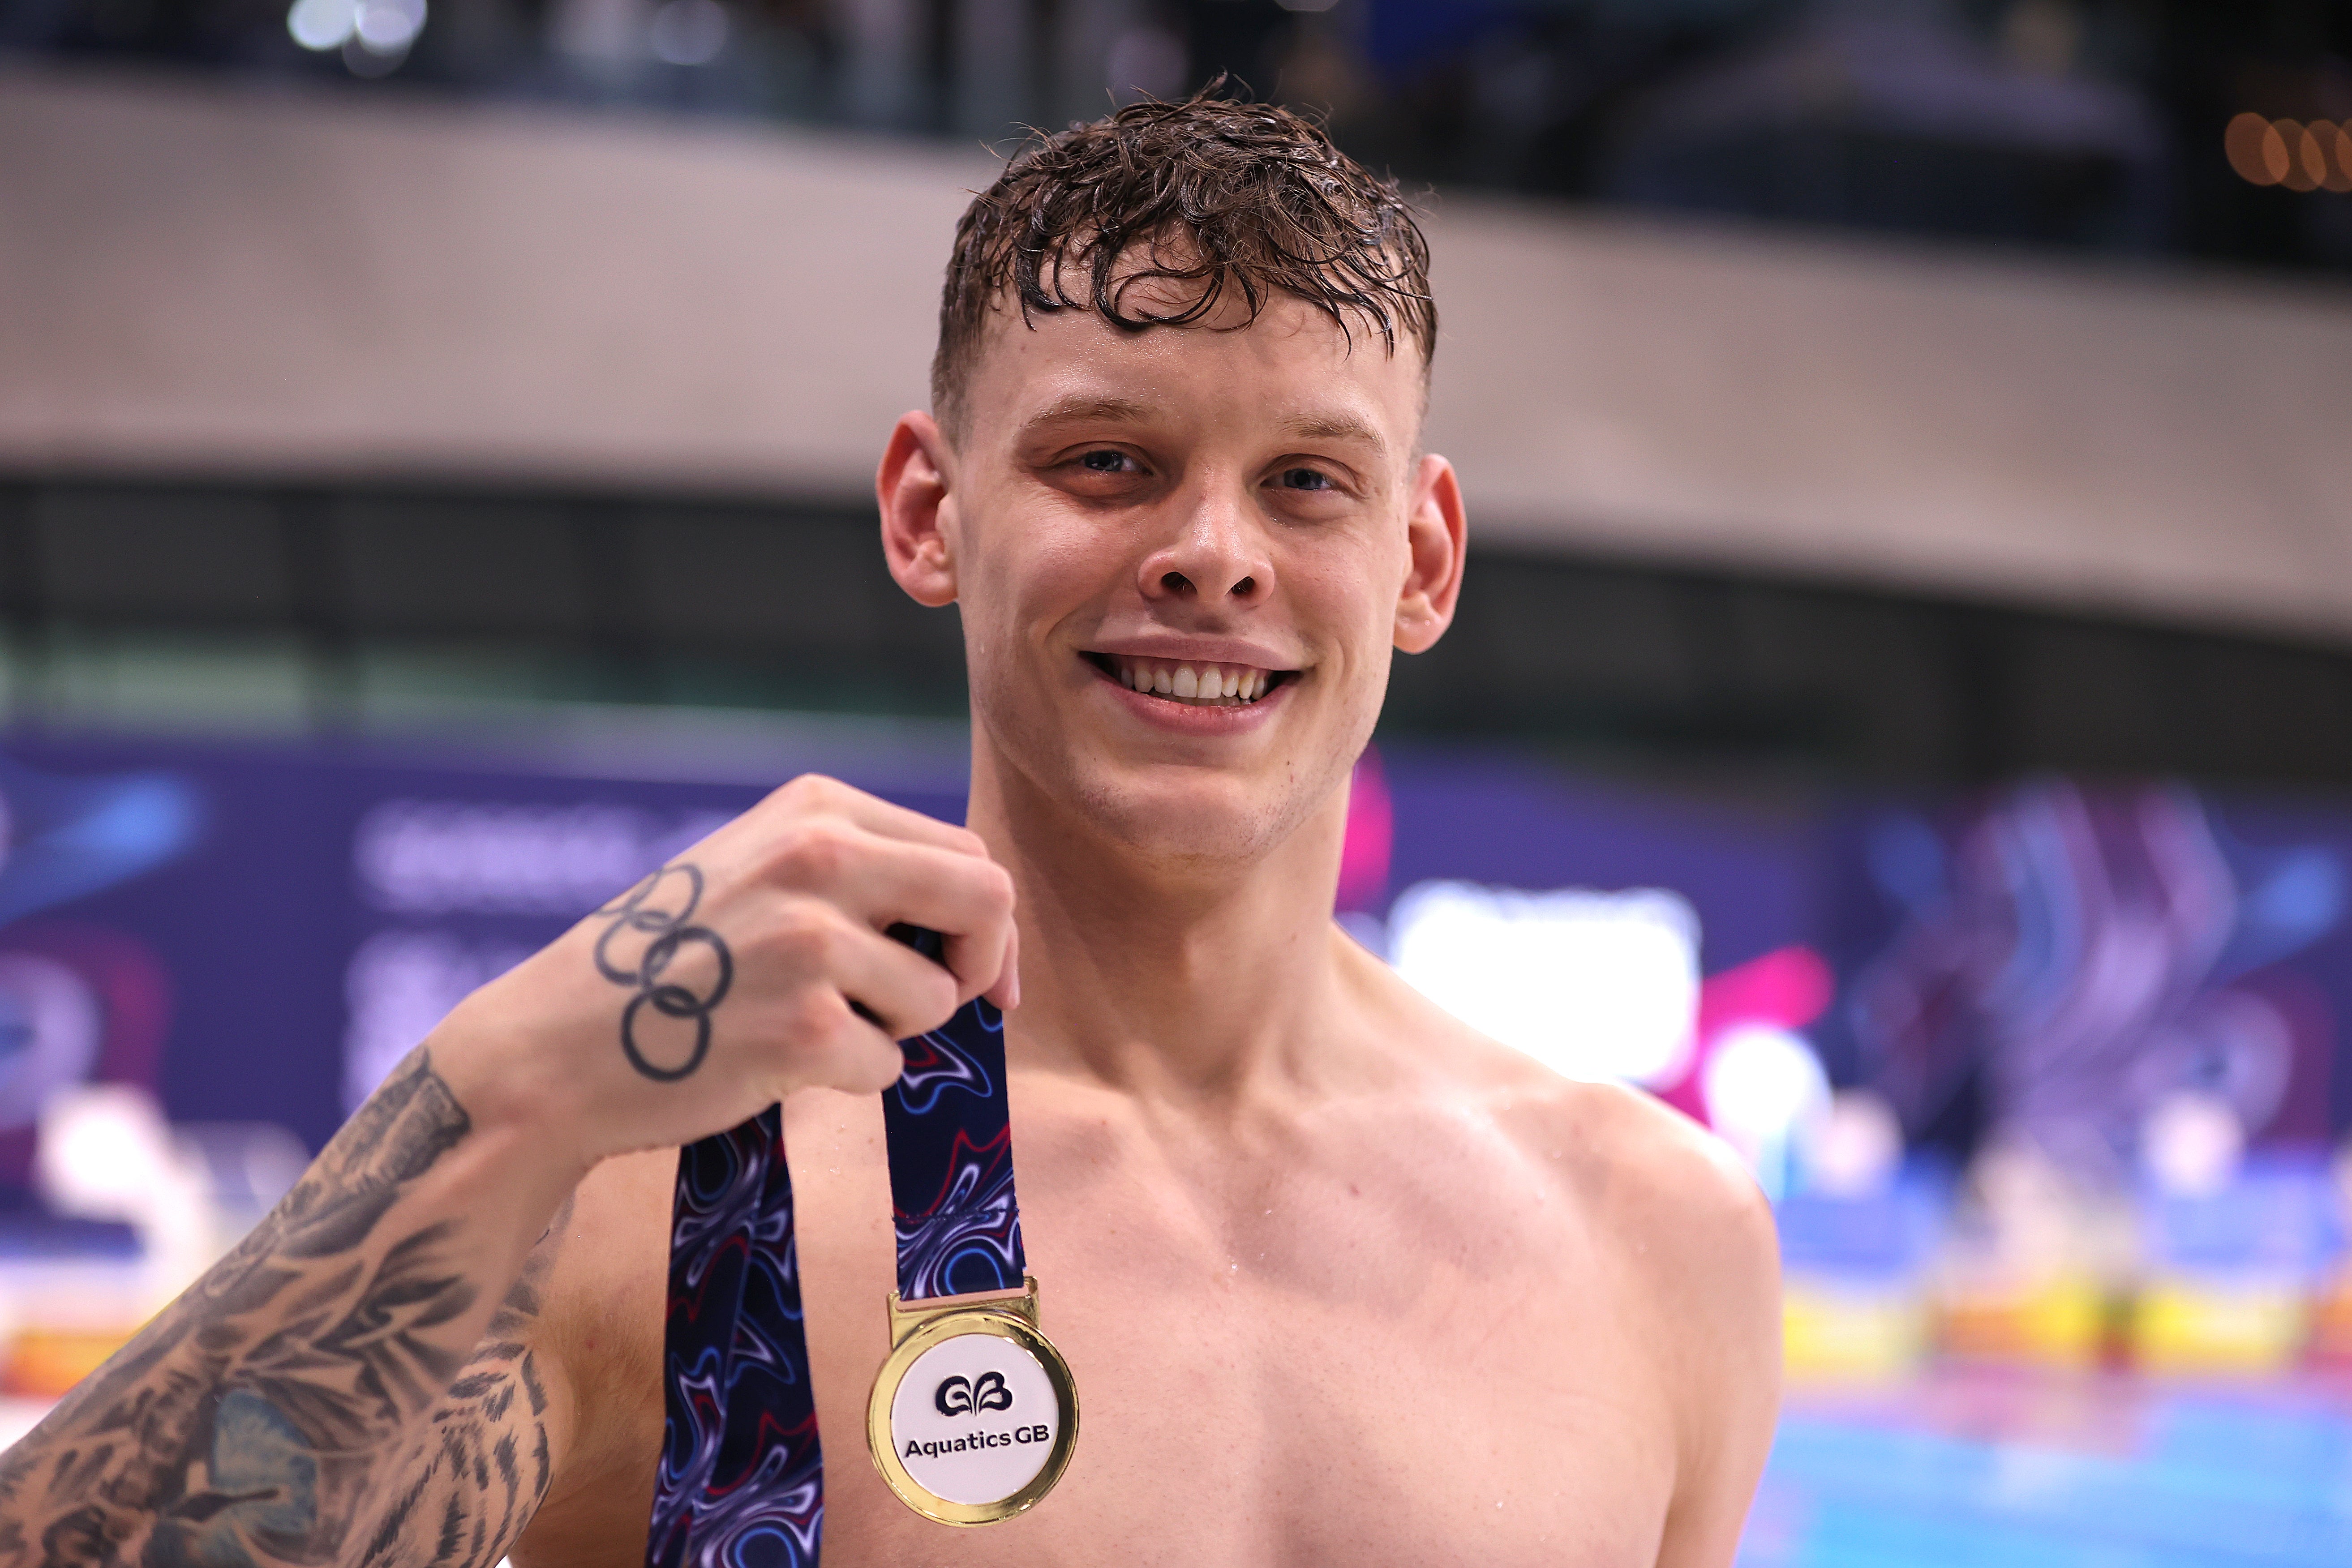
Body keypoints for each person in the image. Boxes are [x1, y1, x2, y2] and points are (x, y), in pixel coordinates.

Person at [0, 92, 1778, 1568]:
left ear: (1421, 558)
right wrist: (507, 1091)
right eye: (1107, 463)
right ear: (931, 512)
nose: (1211, 554)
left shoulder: (1652, 1239)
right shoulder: (678, 1193)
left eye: (1306, 482)